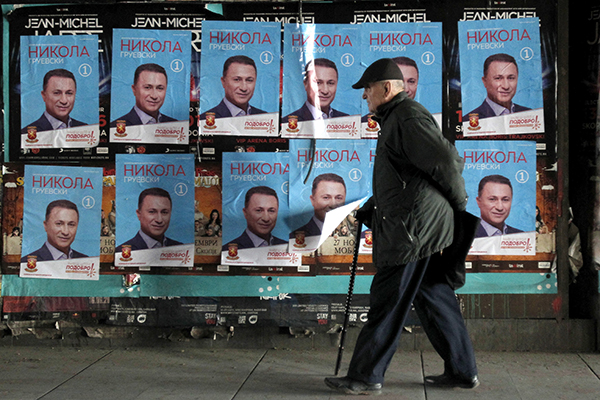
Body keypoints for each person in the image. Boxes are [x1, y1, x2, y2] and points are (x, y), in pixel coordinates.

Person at [325, 58, 478, 395]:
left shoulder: (406, 117)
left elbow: (447, 162)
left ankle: (365, 376)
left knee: (388, 300)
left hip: (414, 231)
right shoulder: (396, 119)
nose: (365, 96)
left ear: (387, 88)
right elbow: (405, 178)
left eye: (368, 89)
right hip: (419, 226)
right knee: (435, 296)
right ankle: (463, 371)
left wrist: (457, 205)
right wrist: (372, 207)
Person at [463, 53, 531, 121]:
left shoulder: (529, 114)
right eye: (498, 78)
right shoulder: (468, 121)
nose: (506, 86)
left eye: (511, 78)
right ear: (484, 82)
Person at [115, 187, 182, 252]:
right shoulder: (122, 252)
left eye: (164, 212)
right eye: (152, 212)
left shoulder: (181, 249)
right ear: (139, 214)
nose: (159, 220)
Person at [21, 69, 87, 134]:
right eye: (57, 93)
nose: (64, 101)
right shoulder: (26, 134)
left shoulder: (86, 129)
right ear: (44, 96)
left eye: (69, 93)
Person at [200, 55, 267, 119]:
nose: (244, 88)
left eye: (249, 80)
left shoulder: (265, 117)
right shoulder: (205, 120)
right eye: (237, 80)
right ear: (223, 82)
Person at [110, 63, 176, 127]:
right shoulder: (114, 128)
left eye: (160, 88)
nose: (154, 96)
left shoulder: (175, 125)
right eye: (147, 87)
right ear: (134, 90)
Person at [283, 58, 349, 122]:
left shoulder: (348, 120)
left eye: (330, 83)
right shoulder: (287, 123)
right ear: (305, 84)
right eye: (318, 83)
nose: (325, 91)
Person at [222, 186, 287, 251]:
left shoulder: (287, 247)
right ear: (245, 213)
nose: (266, 218)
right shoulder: (228, 251)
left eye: (271, 211)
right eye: (259, 210)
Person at [21, 200, 87, 262]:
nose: (65, 232)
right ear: (46, 225)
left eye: (71, 224)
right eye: (59, 224)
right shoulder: (27, 263)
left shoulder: (85, 261)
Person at [289, 173, 346, 238]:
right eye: (326, 197)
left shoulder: (358, 236)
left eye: (338, 198)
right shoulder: (294, 238)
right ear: (313, 200)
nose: (332, 204)